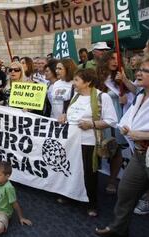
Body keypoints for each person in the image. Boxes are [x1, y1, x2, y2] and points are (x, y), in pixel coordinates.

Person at [95, 56, 149, 237]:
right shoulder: (141, 94)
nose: (139, 73)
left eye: (145, 70)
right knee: (125, 191)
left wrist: (141, 135)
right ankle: (118, 228)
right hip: (140, 155)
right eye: (139, 69)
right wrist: (128, 128)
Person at [59, 68, 117, 217]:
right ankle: (71, 195)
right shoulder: (75, 97)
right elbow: (71, 114)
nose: (73, 83)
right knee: (72, 170)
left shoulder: (102, 97)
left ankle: (92, 203)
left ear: (88, 82)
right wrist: (64, 116)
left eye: (77, 80)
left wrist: (91, 124)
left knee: (89, 173)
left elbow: (111, 121)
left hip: (89, 142)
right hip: (72, 142)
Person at [96, 51, 136, 194]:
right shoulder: (97, 77)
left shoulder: (121, 78)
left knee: (116, 150)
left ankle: (112, 181)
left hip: (117, 117)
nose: (115, 61)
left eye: (117, 59)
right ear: (105, 60)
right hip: (100, 118)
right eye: (112, 58)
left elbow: (136, 97)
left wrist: (126, 98)